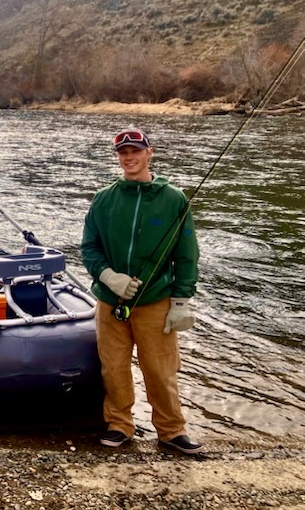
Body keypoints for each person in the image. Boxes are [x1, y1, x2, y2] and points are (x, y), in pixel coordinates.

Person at [81, 127, 202, 455]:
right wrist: (108, 277)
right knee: (114, 367)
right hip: (110, 303)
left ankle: (171, 430)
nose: (129, 157)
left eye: (135, 150)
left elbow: (187, 253)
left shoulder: (174, 199)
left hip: (156, 302)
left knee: (160, 369)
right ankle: (120, 424)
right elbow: (89, 249)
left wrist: (181, 301)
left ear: (150, 152)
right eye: (123, 153)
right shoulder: (104, 199)